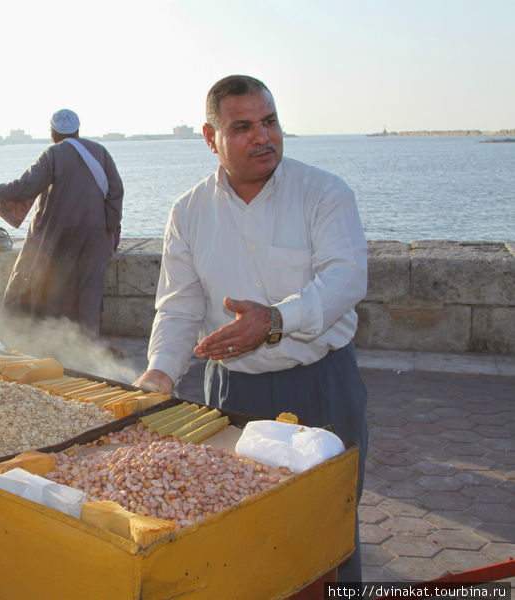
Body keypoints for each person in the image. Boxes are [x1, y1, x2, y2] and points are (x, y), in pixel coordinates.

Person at [132, 75, 368, 582]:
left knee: (327, 530)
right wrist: (159, 373)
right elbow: (178, 306)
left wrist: (275, 320)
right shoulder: (188, 211)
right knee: (240, 533)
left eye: (270, 121)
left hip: (321, 383)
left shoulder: (323, 193)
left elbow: (345, 280)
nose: (263, 137)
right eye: (242, 127)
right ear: (209, 137)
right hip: (231, 390)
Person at [0, 109, 124, 337]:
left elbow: (26, 186)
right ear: (78, 130)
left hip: (60, 235)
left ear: (53, 131)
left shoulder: (53, 154)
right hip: (97, 237)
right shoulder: (100, 152)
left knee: (46, 283)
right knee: (89, 289)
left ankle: (40, 338)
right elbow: (116, 191)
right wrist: (108, 225)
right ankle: (87, 346)